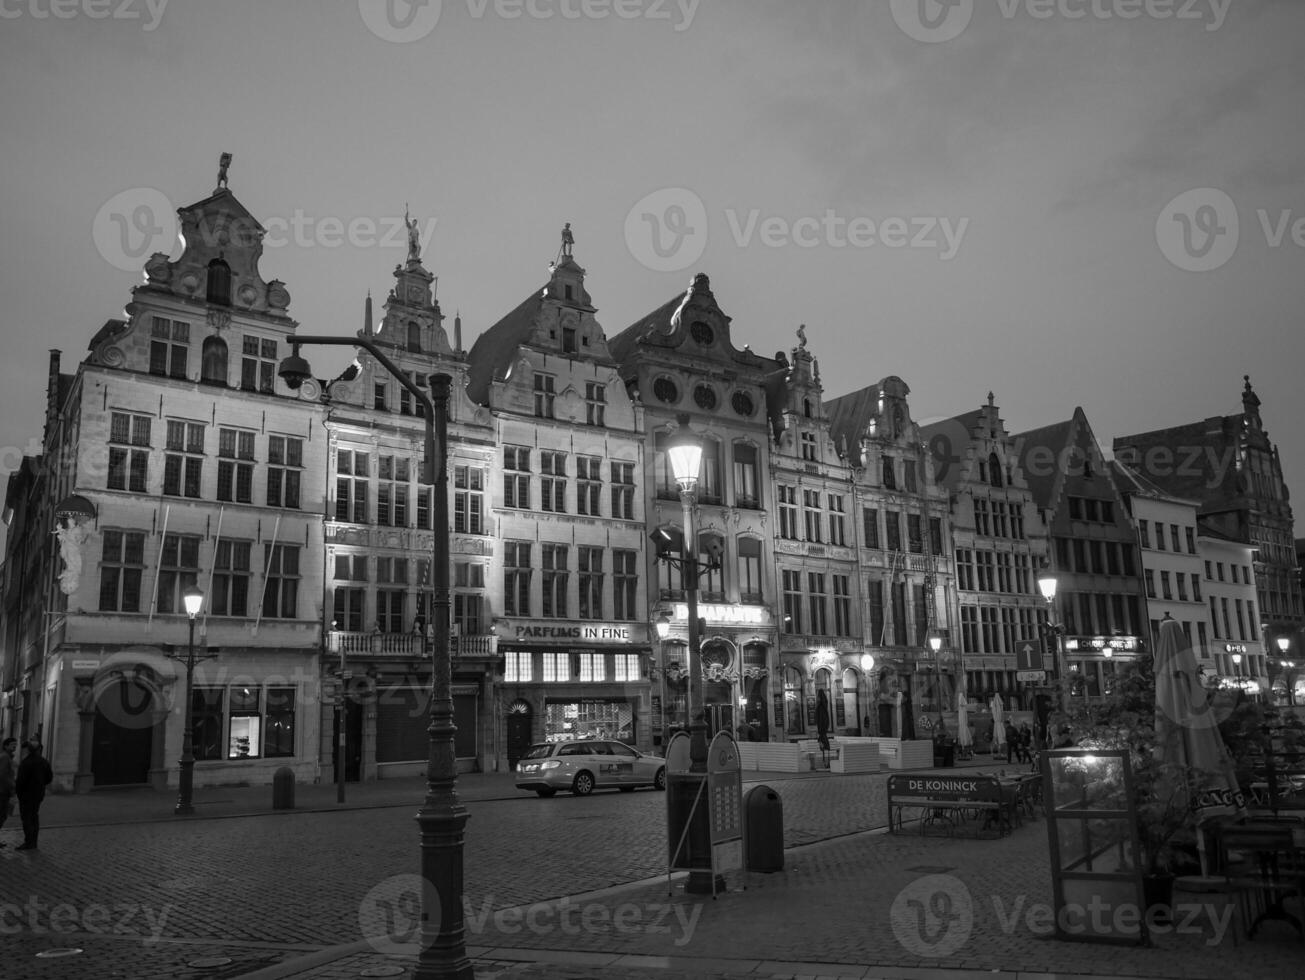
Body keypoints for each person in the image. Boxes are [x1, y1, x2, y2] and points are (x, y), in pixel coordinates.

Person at [14, 740, 52, 851]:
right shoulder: (44, 761)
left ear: (29, 749)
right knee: (34, 817)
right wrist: (41, 785)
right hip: (38, 794)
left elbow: (20, 781)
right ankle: (34, 842)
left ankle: (29, 842)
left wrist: (19, 793)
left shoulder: (26, 762)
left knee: (27, 818)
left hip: (26, 795)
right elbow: (49, 778)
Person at [0, 737, 15, 846]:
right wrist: (12, 785)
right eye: (12, 744)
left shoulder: (7, 757)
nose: (15, 746)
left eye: (16, 744)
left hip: (3, 790)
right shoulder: (5, 757)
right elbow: (2, 775)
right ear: (6, 746)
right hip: (2, 791)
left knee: (2, 815)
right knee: (1, 815)